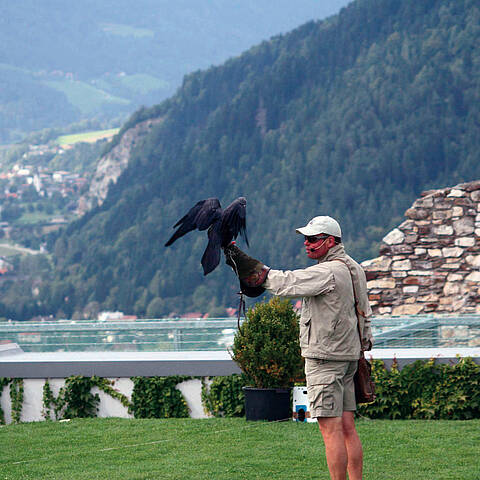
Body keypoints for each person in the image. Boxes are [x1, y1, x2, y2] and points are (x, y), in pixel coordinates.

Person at [224, 215, 373, 480]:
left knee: (331, 430)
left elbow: (285, 283)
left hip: (325, 359)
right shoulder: (354, 267)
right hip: (350, 356)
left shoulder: (327, 271)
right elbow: (365, 313)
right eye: (305, 238)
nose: (306, 243)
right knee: (348, 427)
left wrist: (244, 262)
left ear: (330, 241)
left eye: (313, 239)